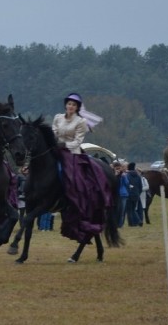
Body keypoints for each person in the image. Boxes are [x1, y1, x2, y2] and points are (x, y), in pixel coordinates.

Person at [51, 93, 113, 245]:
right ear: (66, 105)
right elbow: (54, 132)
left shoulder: (81, 122)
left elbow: (78, 141)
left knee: (73, 177)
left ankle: (72, 199)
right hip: (56, 150)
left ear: (77, 108)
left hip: (73, 154)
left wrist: (64, 145)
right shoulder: (58, 117)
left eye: (74, 105)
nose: (71, 106)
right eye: (69, 104)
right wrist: (55, 143)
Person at [125, 162, 144, 226]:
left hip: (129, 194)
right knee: (133, 209)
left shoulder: (127, 176)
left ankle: (133, 223)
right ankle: (138, 221)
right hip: (136, 194)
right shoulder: (138, 176)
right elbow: (140, 186)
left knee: (130, 210)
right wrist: (138, 193)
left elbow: (127, 185)